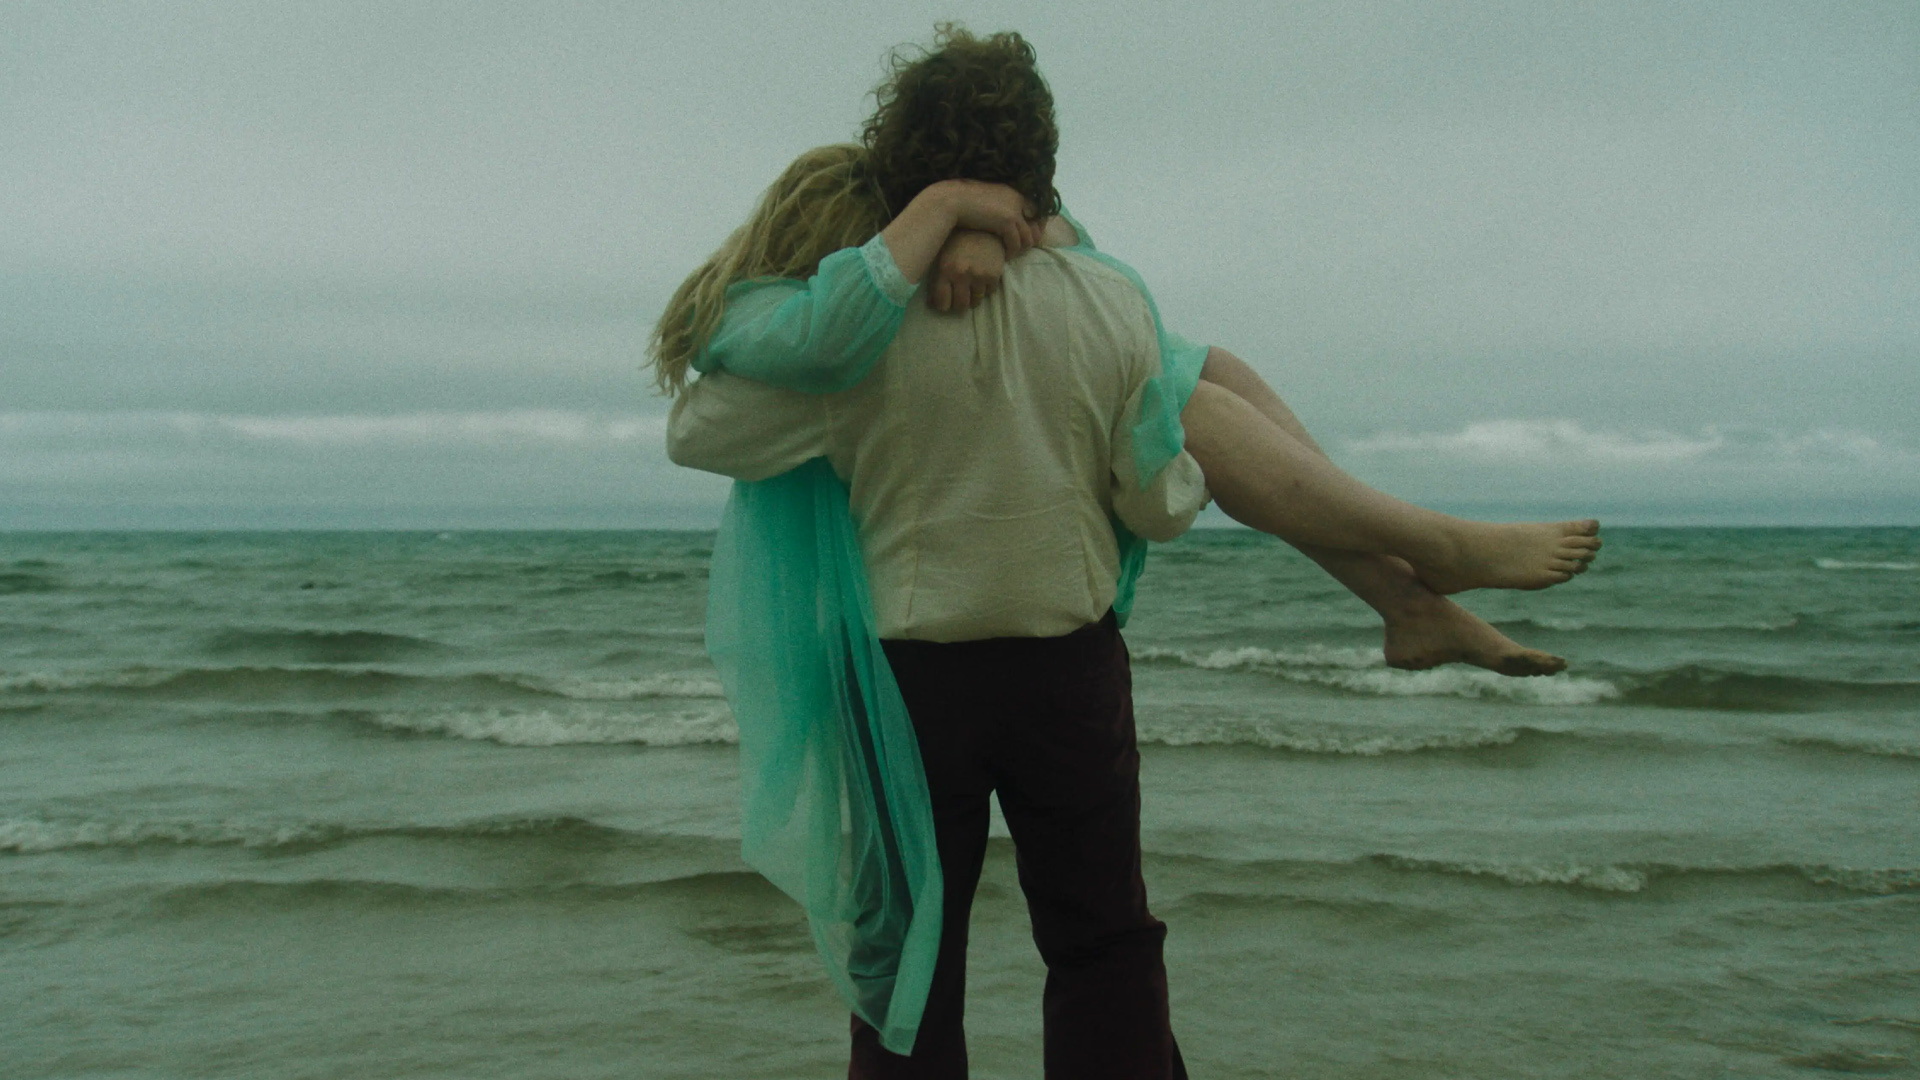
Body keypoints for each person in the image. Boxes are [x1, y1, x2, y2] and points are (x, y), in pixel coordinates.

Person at [654, 28, 1602, 1077]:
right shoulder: (1109, 303)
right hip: (1066, 676)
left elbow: (700, 433)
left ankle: (1417, 580)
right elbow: (1154, 506)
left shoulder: (845, 343)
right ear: (1037, 168)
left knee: (907, 970)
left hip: (910, 688)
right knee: (1103, 944)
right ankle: (1416, 571)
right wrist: (1178, 467)